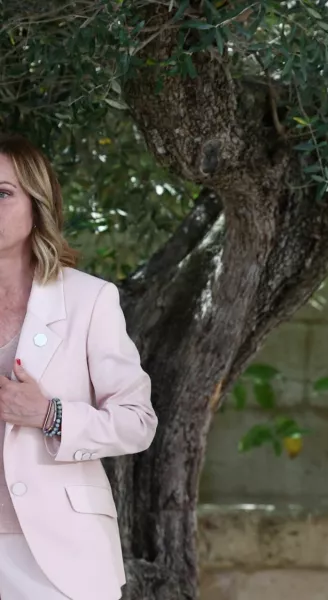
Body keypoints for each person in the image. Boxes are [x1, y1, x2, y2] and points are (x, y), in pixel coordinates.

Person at [0, 133, 157, 599]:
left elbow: (137, 423)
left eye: (3, 193)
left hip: (59, 556)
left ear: (37, 206)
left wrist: (51, 416)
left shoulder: (90, 299)